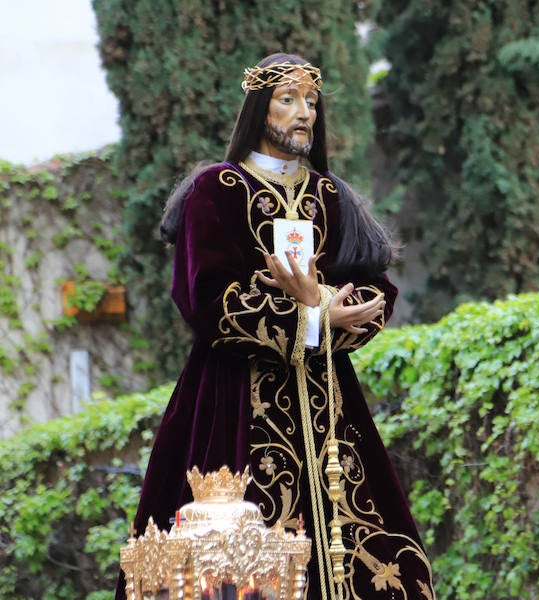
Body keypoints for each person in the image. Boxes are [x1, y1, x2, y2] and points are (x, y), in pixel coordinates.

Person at [116, 53, 434, 600]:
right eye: (288, 99)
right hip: (233, 401)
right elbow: (206, 299)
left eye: (311, 101)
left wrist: (334, 309)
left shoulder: (330, 196)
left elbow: (376, 287)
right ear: (260, 109)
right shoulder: (217, 190)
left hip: (329, 405)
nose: (303, 112)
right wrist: (309, 316)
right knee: (230, 563)